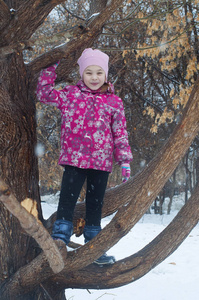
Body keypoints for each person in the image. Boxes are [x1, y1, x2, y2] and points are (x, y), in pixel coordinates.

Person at [36, 48, 133, 265]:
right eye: (89, 72)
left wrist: (124, 160)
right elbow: (43, 94)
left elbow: (120, 132)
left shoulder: (114, 102)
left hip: (101, 162)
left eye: (99, 73)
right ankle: (60, 238)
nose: (94, 78)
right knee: (67, 199)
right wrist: (51, 65)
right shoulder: (70, 94)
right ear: (82, 74)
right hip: (74, 159)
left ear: (106, 75)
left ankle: (93, 246)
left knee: (95, 204)